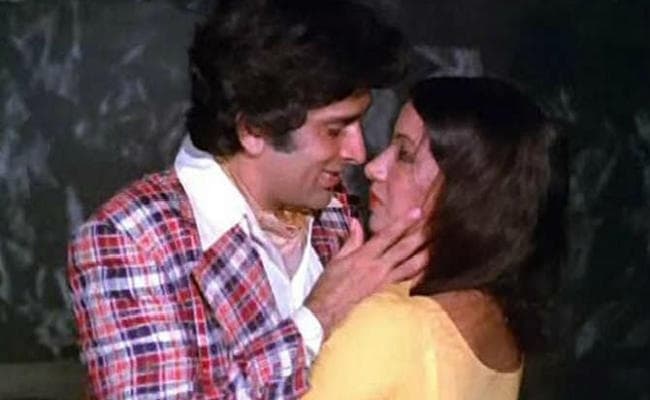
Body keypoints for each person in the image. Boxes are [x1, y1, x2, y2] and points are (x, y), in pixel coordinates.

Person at [67, 1, 429, 398]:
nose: (358, 153)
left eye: (360, 122)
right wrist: (320, 314)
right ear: (253, 129)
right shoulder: (131, 238)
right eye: (334, 130)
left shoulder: (339, 212)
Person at [303, 77, 567, 399]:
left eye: (404, 154)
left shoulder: (390, 324)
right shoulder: (496, 322)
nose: (374, 167)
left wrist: (316, 315)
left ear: (467, 191)